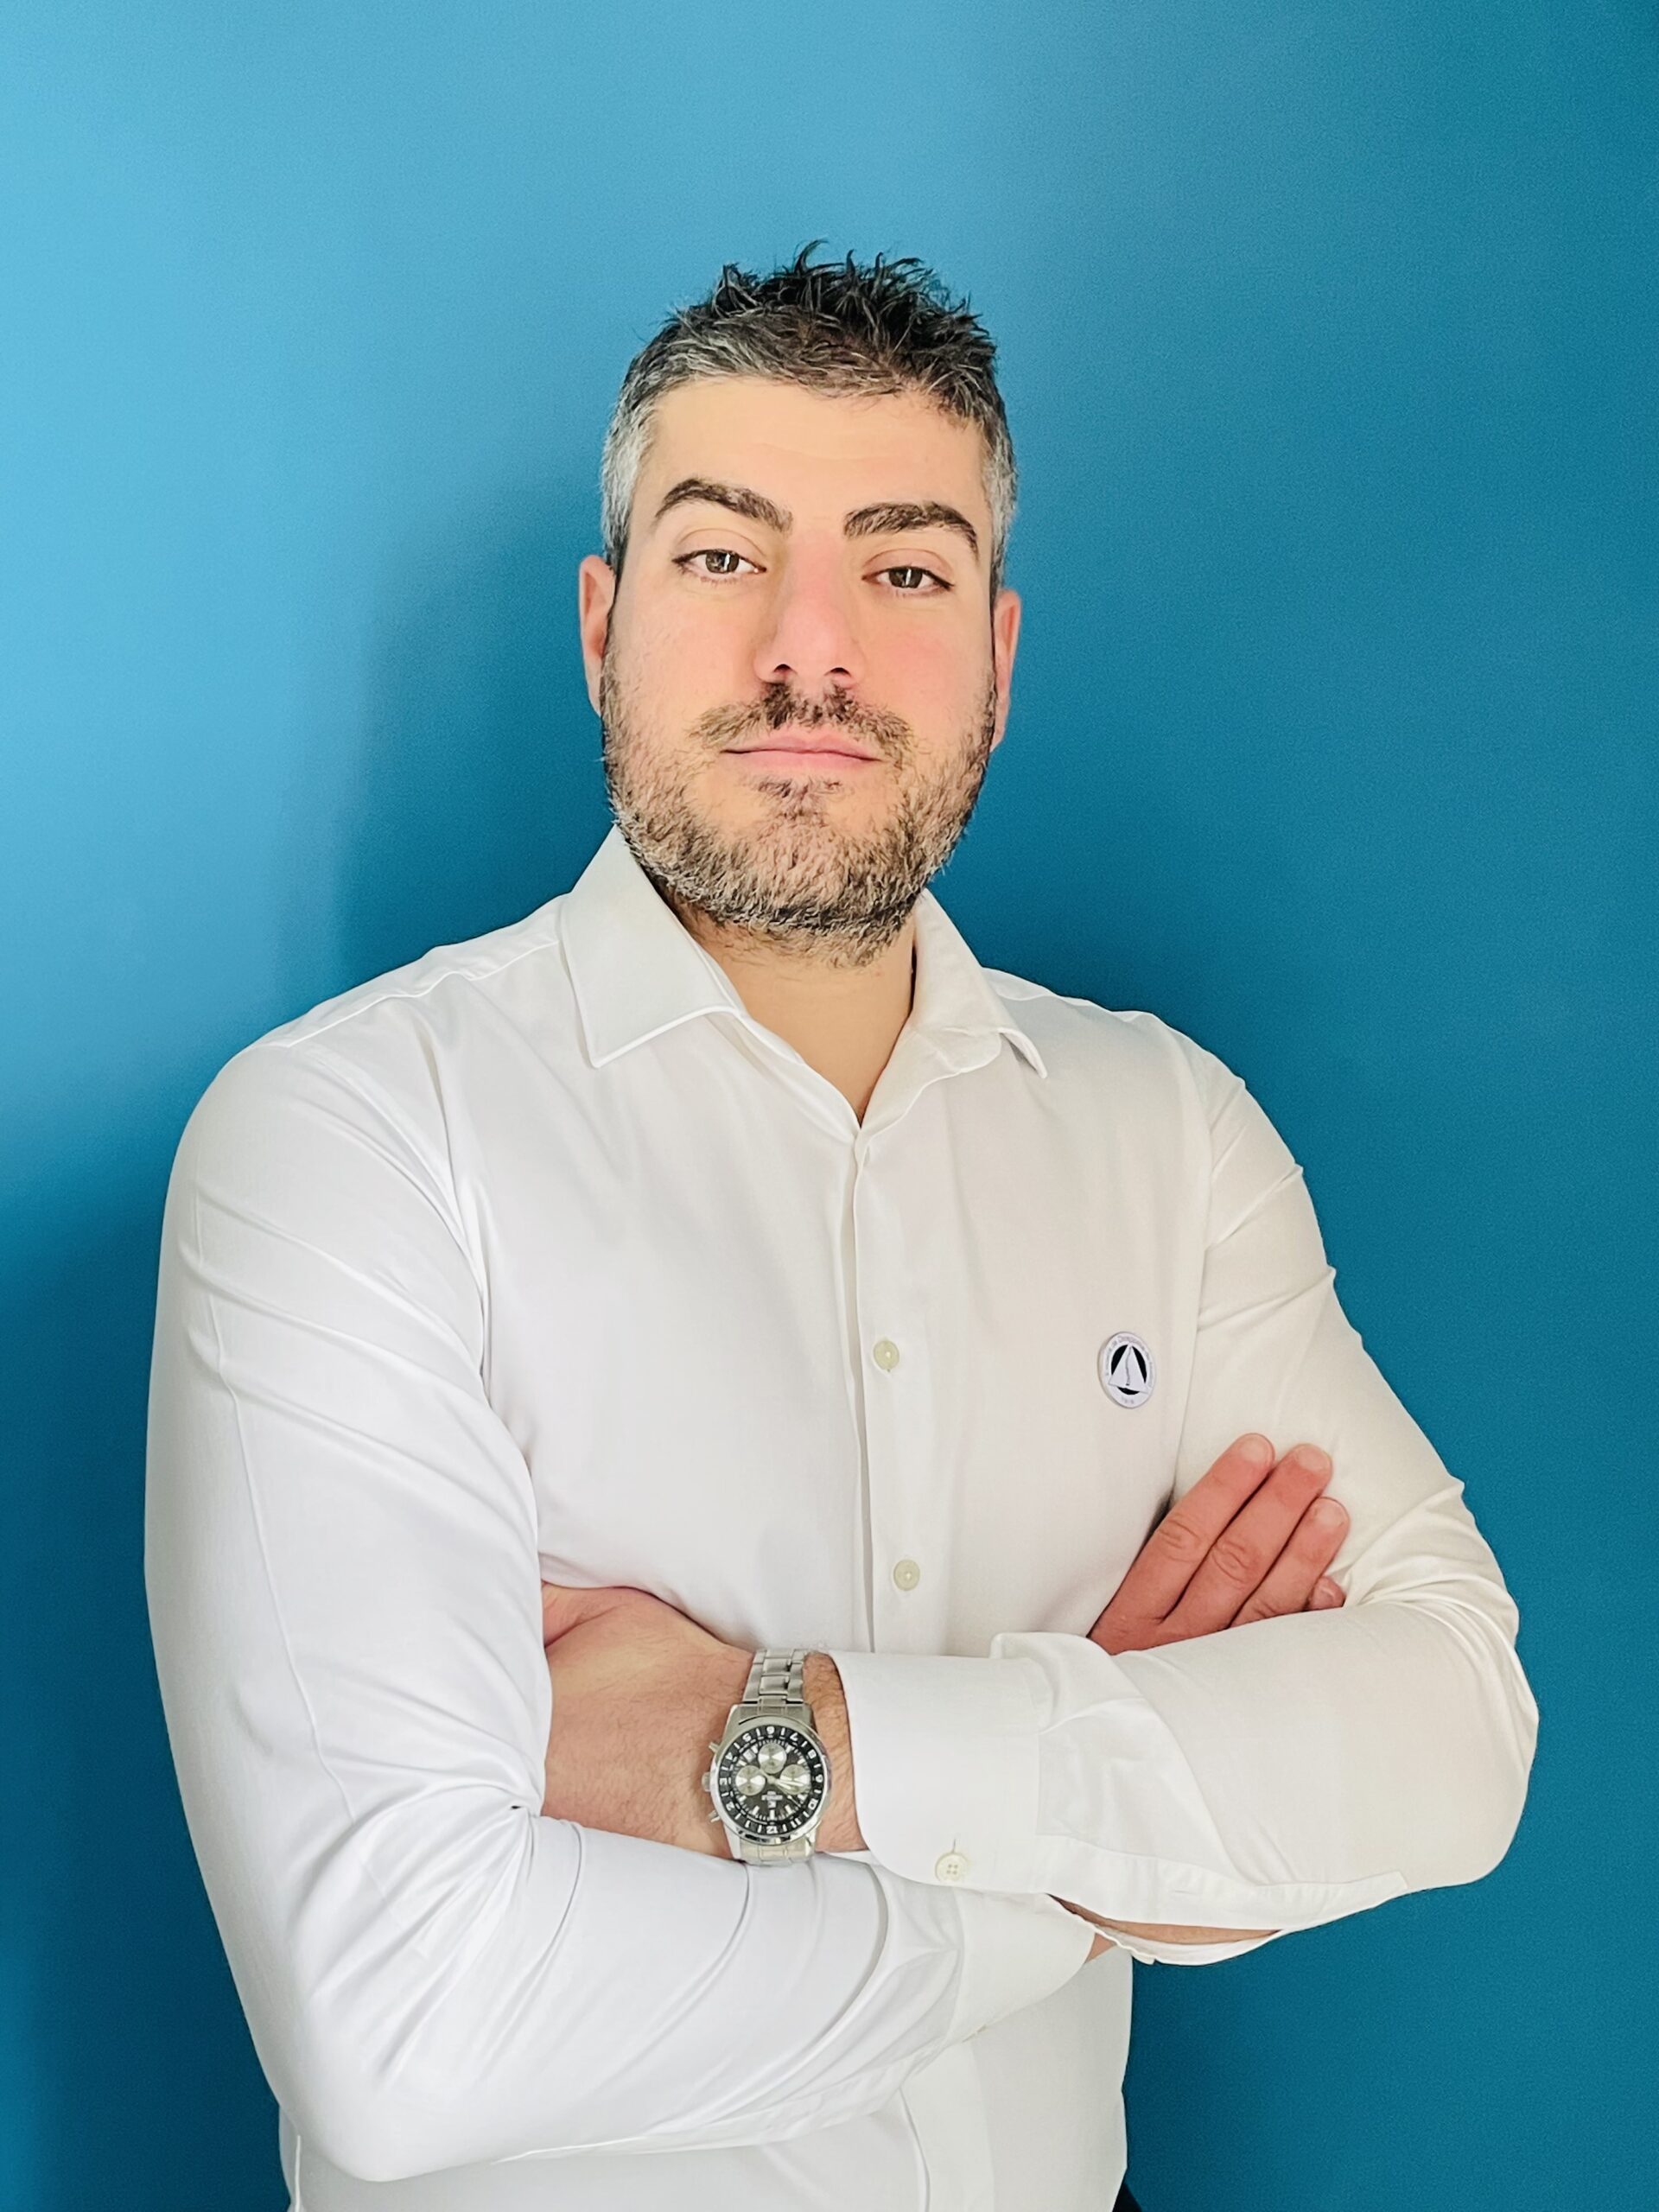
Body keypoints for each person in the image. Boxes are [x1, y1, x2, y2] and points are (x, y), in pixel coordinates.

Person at [144, 245, 1538, 2212]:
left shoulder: (1169, 1130)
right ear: (604, 627)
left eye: (906, 569)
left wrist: (782, 1742)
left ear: (1001, 656)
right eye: (726, 555)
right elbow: (406, 2025)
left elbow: (1457, 1724)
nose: (813, 652)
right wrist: (1085, 1859)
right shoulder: (356, 1140)